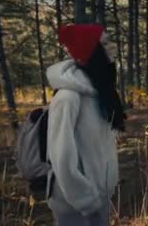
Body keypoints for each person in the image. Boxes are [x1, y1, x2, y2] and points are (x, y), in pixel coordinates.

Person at [45, 24, 126, 226]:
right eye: (105, 43)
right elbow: (61, 156)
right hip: (75, 204)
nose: (112, 47)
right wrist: (85, 200)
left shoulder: (97, 92)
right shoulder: (68, 97)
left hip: (98, 198)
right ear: (92, 50)